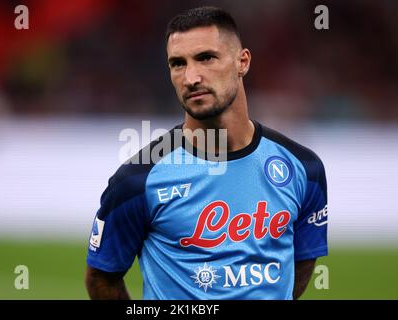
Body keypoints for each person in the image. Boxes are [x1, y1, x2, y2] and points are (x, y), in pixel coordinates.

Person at [85, 6, 328, 300]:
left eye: (206, 58)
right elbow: (101, 279)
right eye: (177, 63)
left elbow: (302, 262)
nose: (190, 77)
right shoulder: (138, 179)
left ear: (243, 62)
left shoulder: (304, 168)